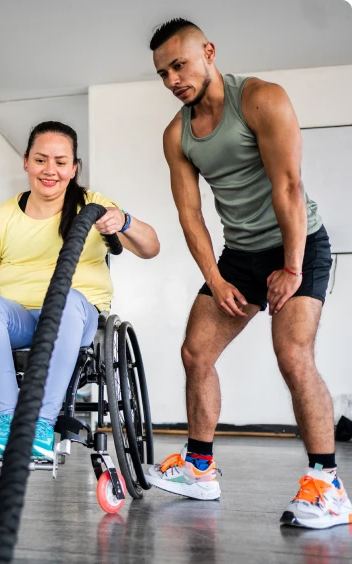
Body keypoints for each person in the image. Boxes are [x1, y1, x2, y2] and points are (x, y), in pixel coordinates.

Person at [147, 18, 350, 529]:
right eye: (163, 73)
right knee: (196, 353)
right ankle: (199, 468)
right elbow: (190, 215)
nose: (173, 79)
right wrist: (216, 279)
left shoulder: (261, 99)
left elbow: (289, 187)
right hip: (240, 253)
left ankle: (327, 485)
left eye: (179, 64)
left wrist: (292, 267)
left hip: (298, 240)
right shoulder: (177, 134)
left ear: (209, 53)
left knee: (293, 355)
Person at [0, 121, 160, 461]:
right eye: (41, 159)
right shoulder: (4, 215)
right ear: (26, 161)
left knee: (64, 300)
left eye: (61, 162)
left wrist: (123, 221)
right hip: (21, 320)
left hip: (75, 317)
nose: (50, 170)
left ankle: (41, 423)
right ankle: (7, 421)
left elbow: (151, 248)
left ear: (74, 168)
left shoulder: (94, 205)